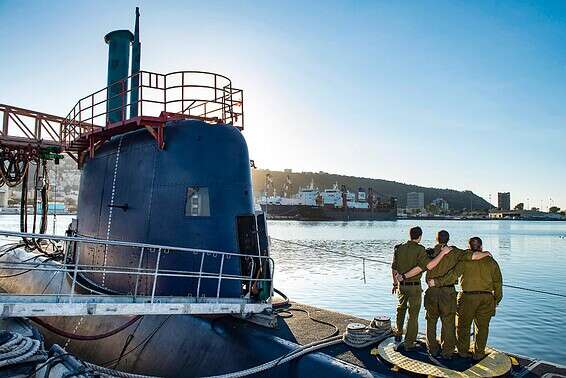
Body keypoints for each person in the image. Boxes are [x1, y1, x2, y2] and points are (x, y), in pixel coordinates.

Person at [398, 231, 491, 358]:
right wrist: (486, 253)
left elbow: (421, 267)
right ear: (448, 239)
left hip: (431, 292)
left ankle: (432, 349)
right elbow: (473, 256)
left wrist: (402, 276)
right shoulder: (456, 252)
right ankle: (447, 352)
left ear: (437, 239)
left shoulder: (428, 252)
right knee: (448, 322)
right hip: (448, 292)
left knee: (431, 321)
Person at [429, 237, 503, 361]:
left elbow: (453, 276)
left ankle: (463, 352)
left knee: (463, 326)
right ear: (481, 247)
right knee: (483, 328)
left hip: (467, 298)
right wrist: (496, 300)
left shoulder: (464, 261)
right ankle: (479, 354)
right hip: (487, 298)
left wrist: (436, 282)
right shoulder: (492, 262)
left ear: (469, 247)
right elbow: (498, 283)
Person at [391, 226, 430, 350]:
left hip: (401, 286)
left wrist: (395, 282)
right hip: (414, 286)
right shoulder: (420, 249)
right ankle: (409, 343)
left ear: (410, 235)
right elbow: (420, 268)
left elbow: (394, 267)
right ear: (419, 236)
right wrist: (404, 276)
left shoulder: (399, 248)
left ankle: (398, 334)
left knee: (400, 309)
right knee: (413, 315)